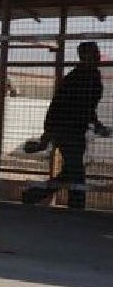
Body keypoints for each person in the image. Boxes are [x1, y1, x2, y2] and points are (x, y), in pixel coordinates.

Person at [23, 41, 109, 209]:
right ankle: (75, 207)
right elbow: (64, 106)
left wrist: (96, 123)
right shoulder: (78, 78)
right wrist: (48, 133)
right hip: (66, 130)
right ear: (83, 56)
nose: (97, 56)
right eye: (93, 53)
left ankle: (35, 194)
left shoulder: (90, 76)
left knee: (71, 171)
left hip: (73, 130)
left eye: (97, 53)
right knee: (75, 171)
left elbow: (86, 106)